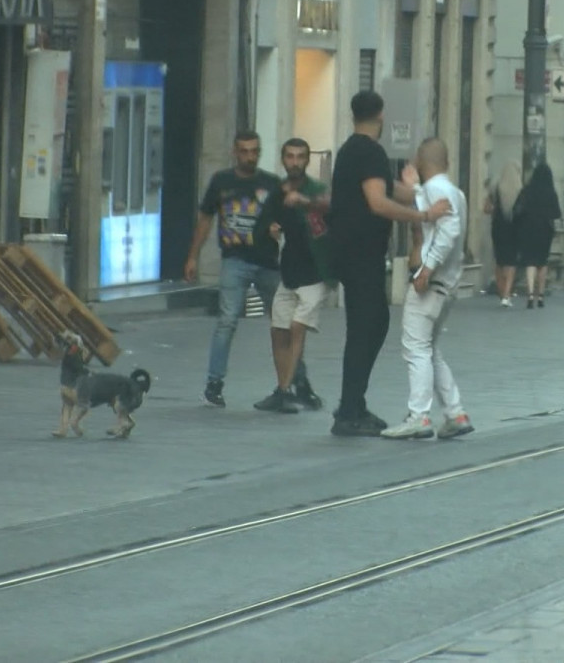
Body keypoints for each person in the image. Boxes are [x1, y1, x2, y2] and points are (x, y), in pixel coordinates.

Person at [326, 90, 452, 437]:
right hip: (359, 253)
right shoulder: (368, 151)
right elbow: (378, 201)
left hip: (354, 252)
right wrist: (423, 213)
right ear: (380, 116)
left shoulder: (353, 150)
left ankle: (353, 404)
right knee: (367, 326)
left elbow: (388, 188)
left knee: (370, 324)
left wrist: (426, 194)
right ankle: (349, 410)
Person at [185, 129, 316, 409]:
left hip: (267, 262)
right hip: (234, 260)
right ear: (235, 152)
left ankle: (297, 382)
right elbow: (206, 219)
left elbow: (292, 218)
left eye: (254, 151)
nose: (249, 157)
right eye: (244, 151)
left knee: (285, 324)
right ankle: (214, 385)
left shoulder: (271, 183)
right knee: (227, 320)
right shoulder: (222, 181)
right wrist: (193, 256)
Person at [382, 138, 474, 440]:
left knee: (415, 348)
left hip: (431, 281)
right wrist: (417, 189)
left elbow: (447, 231)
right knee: (430, 349)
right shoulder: (454, 192)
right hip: (447, 283)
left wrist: (427, 269)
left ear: (422, 160)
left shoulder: (438, 191)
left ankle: (419, 416)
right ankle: (454, 412)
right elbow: (437, 220)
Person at [254, 139, 332, 414]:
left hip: (314, 274)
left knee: (297, 328)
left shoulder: (315, 190)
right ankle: (284, 389)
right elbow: (262, 223)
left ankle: (285, 390)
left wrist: (304, 203)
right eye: (290, 156)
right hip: (288, 272)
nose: (295, 162)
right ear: (283, 159)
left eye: (300, 157)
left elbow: (327, 208)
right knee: (278, 330)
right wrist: (271, 229)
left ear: (307, 160)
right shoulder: (277, 192)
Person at [516, 163, 562, 309]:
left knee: (530, 261)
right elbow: (557, 213)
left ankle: (530, 294)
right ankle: (540, 295)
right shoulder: (551, 193)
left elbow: (518, 209)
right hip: (545, 230)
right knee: (542, 262)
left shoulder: (527, 191)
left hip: (529, 229)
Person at [484, 161, 523, 307]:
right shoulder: (521, 190)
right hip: (514, 228)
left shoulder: (495, 189)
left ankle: (502, 294)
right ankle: (507, 294)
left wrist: (495, 209)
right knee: (511, 262)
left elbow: (486, 209)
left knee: (499, 261)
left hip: (498, 227)